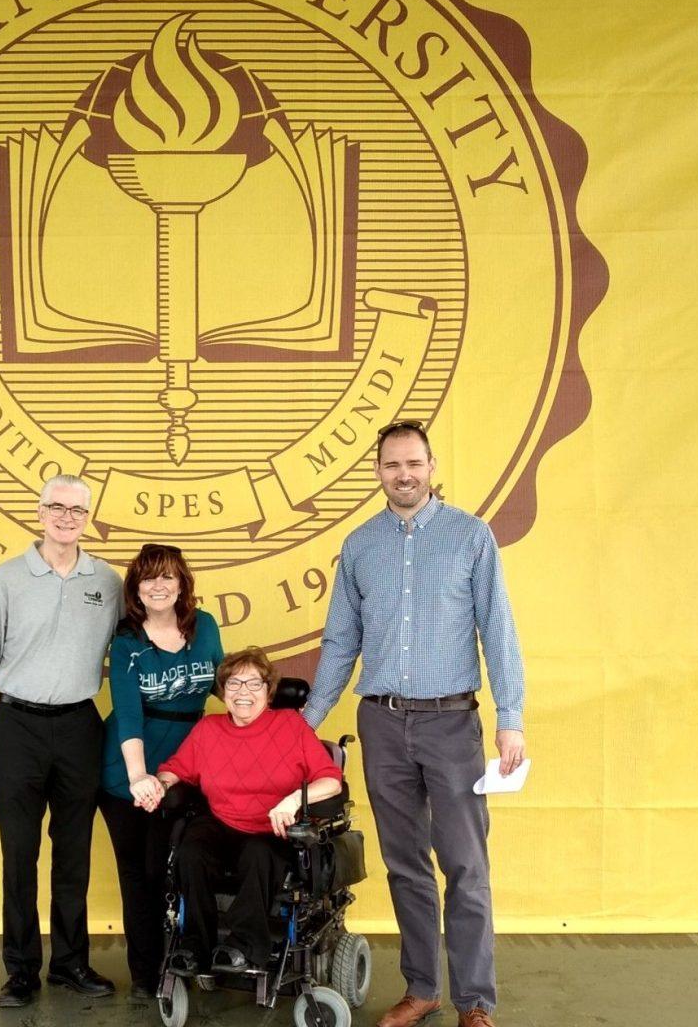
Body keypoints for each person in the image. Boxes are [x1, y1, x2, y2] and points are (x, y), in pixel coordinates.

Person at [303, 420, 526, 1027]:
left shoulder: (470, 537)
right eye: (391, 465)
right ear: (377, 472)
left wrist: (511, 719)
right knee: (405, 865)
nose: (403, 475)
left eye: (414, 464)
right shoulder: (360, 545)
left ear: (432, 467)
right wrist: (307, 722)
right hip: (382, 724)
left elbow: (498, 633)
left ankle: (475, 1002)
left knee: (465, 867)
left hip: (452, 725)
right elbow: (341, 639)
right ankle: (422, 988)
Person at [0, 474, 123, 1009]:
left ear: (88, 518)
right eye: (56, 507)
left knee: (74, 852)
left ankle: (71, 964)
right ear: (39, 512)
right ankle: (21, 971)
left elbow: (134, 648)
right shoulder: (7, 580)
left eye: (77, 510)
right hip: (16, 728)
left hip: (80, 726)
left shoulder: (107, 581)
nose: (66, 517)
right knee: (19, 854)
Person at [154, 647, 343, 976]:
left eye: (254, 684)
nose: (243, 693)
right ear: (223, 691)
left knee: (257, 854)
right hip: (222, 821)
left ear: (269, 691)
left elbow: (331, 781)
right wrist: (159, 783)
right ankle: (195, 945)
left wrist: (293, 800)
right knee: (191, 851)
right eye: (234, 684)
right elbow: (176, 769)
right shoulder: (209, 730)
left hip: (272, 829)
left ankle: (243, 946)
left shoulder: (290, 726)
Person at [98, 543, 224, 1002]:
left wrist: (269, 724)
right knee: (142, 874)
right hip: (127, 768)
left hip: (186, 765)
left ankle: (196, 957)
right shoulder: (128, 639)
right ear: (135, 587)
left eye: (167, 576)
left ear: (182, 583)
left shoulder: (204, 627)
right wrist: (138, 779)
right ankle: (146, 976)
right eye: (148, 577)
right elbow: (127, 713)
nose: (158, 585)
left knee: (186, 865)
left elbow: (223, 687)